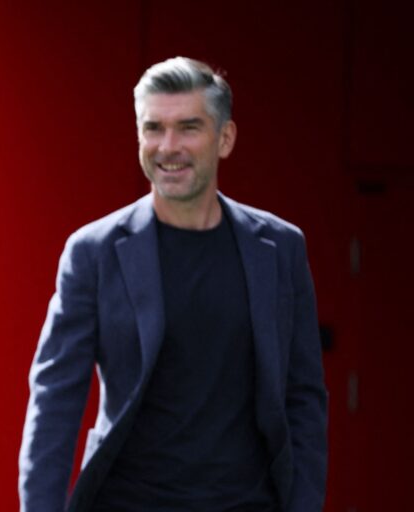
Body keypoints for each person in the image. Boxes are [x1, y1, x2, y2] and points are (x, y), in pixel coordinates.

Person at [18, 57, 327, 511]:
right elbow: (55, 401)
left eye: (188, 128)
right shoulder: (94, 252)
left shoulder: (279, 248)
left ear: (225, 139)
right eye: (153, 128)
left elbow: (304, 398)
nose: (168, 146)